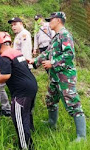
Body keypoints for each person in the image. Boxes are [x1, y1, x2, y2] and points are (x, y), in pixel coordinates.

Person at [27, 12, 86, 142]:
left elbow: (69, 55)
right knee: (50, 99)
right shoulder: (56, 36)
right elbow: (48, 52)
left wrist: (52, 63)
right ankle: (52, 123)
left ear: (58, 20)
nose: (49, 22)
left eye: (51, 20)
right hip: (55, 76)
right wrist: (34, 61)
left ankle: (82, 137)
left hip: (65, 76)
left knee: (73, 103)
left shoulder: (65, 35)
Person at [0, 32, 38, 150]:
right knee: (27, 113)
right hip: (32, 86)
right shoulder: (17, 53)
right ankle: (30, 132)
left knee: (18, 118)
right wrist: (3, 72)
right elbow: (17, 70)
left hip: (21, 91)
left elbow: (6, 76)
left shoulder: (4, 56)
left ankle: (26, 146)